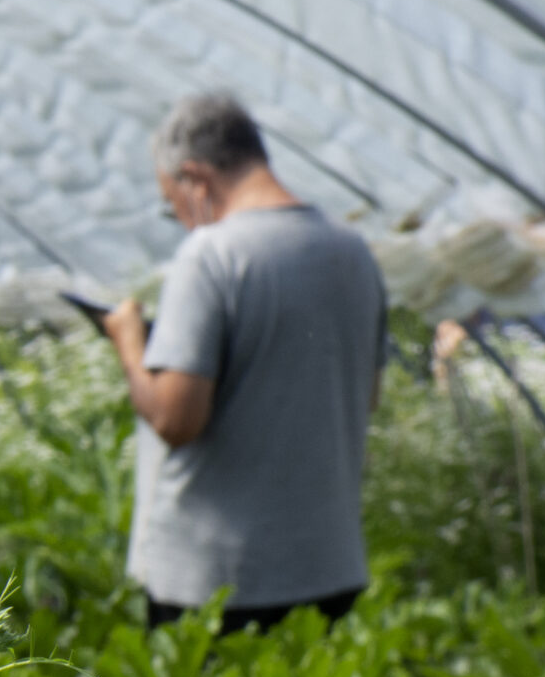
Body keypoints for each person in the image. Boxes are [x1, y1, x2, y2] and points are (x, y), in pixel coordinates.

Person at [101, 94, 388, 633]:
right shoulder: (353, 252)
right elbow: (364, 395)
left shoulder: (211, 255)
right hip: (327, 567)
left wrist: (128, 344)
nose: (184, 223)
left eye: (174, 205)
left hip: (217, 581)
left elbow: (175, 419)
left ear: (195, 180)